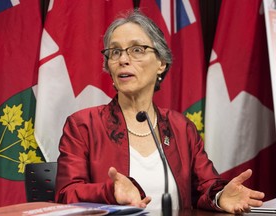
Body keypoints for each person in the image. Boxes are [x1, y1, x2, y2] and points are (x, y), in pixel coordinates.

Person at [55, 10, 265, 214]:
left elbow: (205, 186)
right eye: (115, 52)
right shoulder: (83, 125)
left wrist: (220, 197)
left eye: (137, 50)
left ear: (161, 63)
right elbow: (66, 194)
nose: (123, 60)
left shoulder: (181, 128)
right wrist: (109, 192)